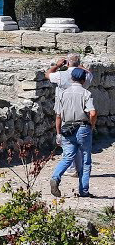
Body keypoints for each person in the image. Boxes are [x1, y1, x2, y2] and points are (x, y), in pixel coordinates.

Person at [51, 67, 97, 198]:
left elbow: (58, 116)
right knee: (85, 160)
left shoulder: (62, 94)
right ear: (83, 80)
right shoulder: (86, 94)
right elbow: (92, 112)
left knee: (67, 157)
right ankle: (84, 191)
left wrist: (58, 133)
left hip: (67, 128)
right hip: (82, 128)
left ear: (71, 78)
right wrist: (91, 125)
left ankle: (55, 177)